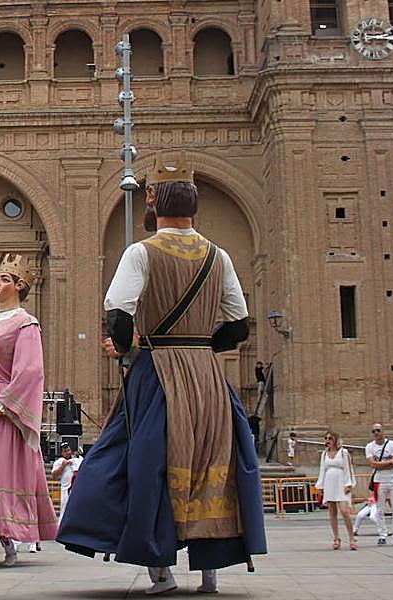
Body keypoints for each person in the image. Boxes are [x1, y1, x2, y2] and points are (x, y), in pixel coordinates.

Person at [58, 156, 265, 596]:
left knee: (145, 460)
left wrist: (128, 347)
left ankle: (161, 572)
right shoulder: (219, 255)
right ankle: (210, 572)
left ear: (152, 202)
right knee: (213, 459)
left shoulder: (142, 252)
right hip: (207, 375)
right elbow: (239, 326)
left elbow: (118, 312)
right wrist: (202, 349)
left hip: (158, 370)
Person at [0, 253, 59, 565]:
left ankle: (10, 539)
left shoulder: (26, 324)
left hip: (6, 408)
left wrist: (4, 403)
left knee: (4, 469)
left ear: (20, 285)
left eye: (4, 279)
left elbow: (30, 370)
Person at [314, 430, 357, 550]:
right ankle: (336, 538)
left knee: (344, 511)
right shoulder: (324, 454)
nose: (327, 441)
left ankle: (351, 538)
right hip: (329, 483)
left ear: (335, 440)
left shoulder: (343, 452)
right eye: (326, 438)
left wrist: (348, 484)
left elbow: (348, 468)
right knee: (332, 512)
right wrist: (321, 486)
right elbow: (322, 470)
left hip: (341, 482)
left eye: (330, 438)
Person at [365, 424, 393, 546]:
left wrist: (381, 464)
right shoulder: (370, 446)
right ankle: (382, 534)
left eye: (378, 430)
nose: (376, 433)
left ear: (383, 431)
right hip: (379, 480)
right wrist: (389, 462)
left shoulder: (392, 444)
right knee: (380, 509)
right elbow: (373, 464)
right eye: (373, 431)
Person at [51, 444, 83, 521]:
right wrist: (63, 466)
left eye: (68, 450)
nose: (68, 452)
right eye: (65, 451)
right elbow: (54, 476)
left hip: (78, 488)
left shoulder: (77, 459)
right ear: (62, 453)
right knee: (64, 510)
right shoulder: (59, 461)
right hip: (66, 490)